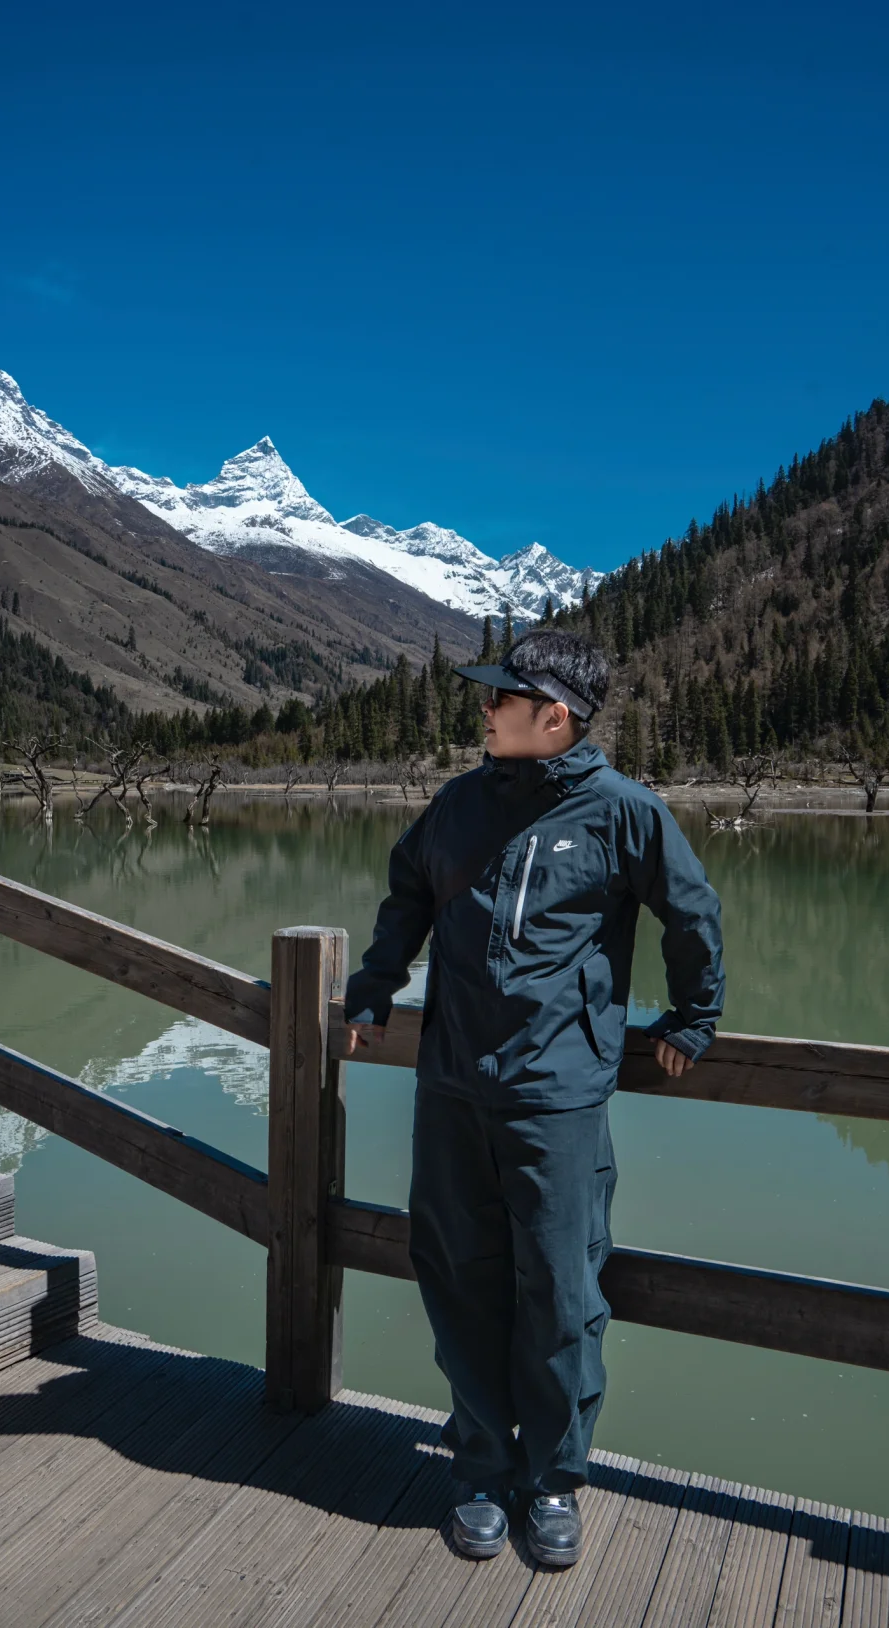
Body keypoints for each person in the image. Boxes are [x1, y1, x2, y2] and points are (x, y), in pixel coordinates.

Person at [344, 629, 725, 1568]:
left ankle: (552, 1481)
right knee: (458, 1273)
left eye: (500, 697)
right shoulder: (458, 804)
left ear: (554, 715)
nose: (483, 709)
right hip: (451, 1086)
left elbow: (693, 912)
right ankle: (478, 1467)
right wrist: (375, 982)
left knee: (558, 1292)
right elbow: (407, 897)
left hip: (556, 1096)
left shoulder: (626, 814)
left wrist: (692, 1018)